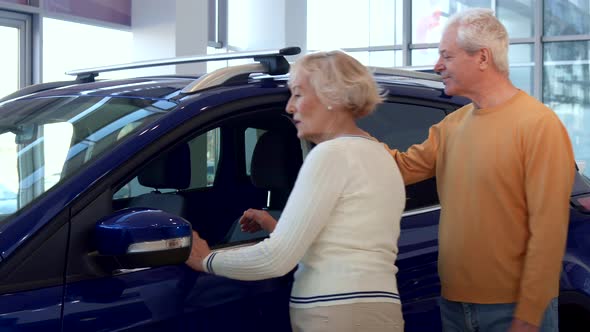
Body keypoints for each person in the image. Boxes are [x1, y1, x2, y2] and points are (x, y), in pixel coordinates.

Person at [186, 50, 406, 331]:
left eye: (298, 94)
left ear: (332, 98)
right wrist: (281, 228)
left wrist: (206, 259)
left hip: (336, 315)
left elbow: (275, 260)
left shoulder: (330, 154)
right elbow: (349, 243)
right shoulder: (379, 154)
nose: (290, 107)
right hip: (378, 309)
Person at [386, 8, 575, 332]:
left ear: (482, 58)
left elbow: (548, 231)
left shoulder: (538, 125)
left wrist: (529, 316)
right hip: (454, 305)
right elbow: (398, 169)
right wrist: (343, 128)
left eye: (447, 55)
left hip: (513, 309)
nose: (437, 66)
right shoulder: (451, 127)